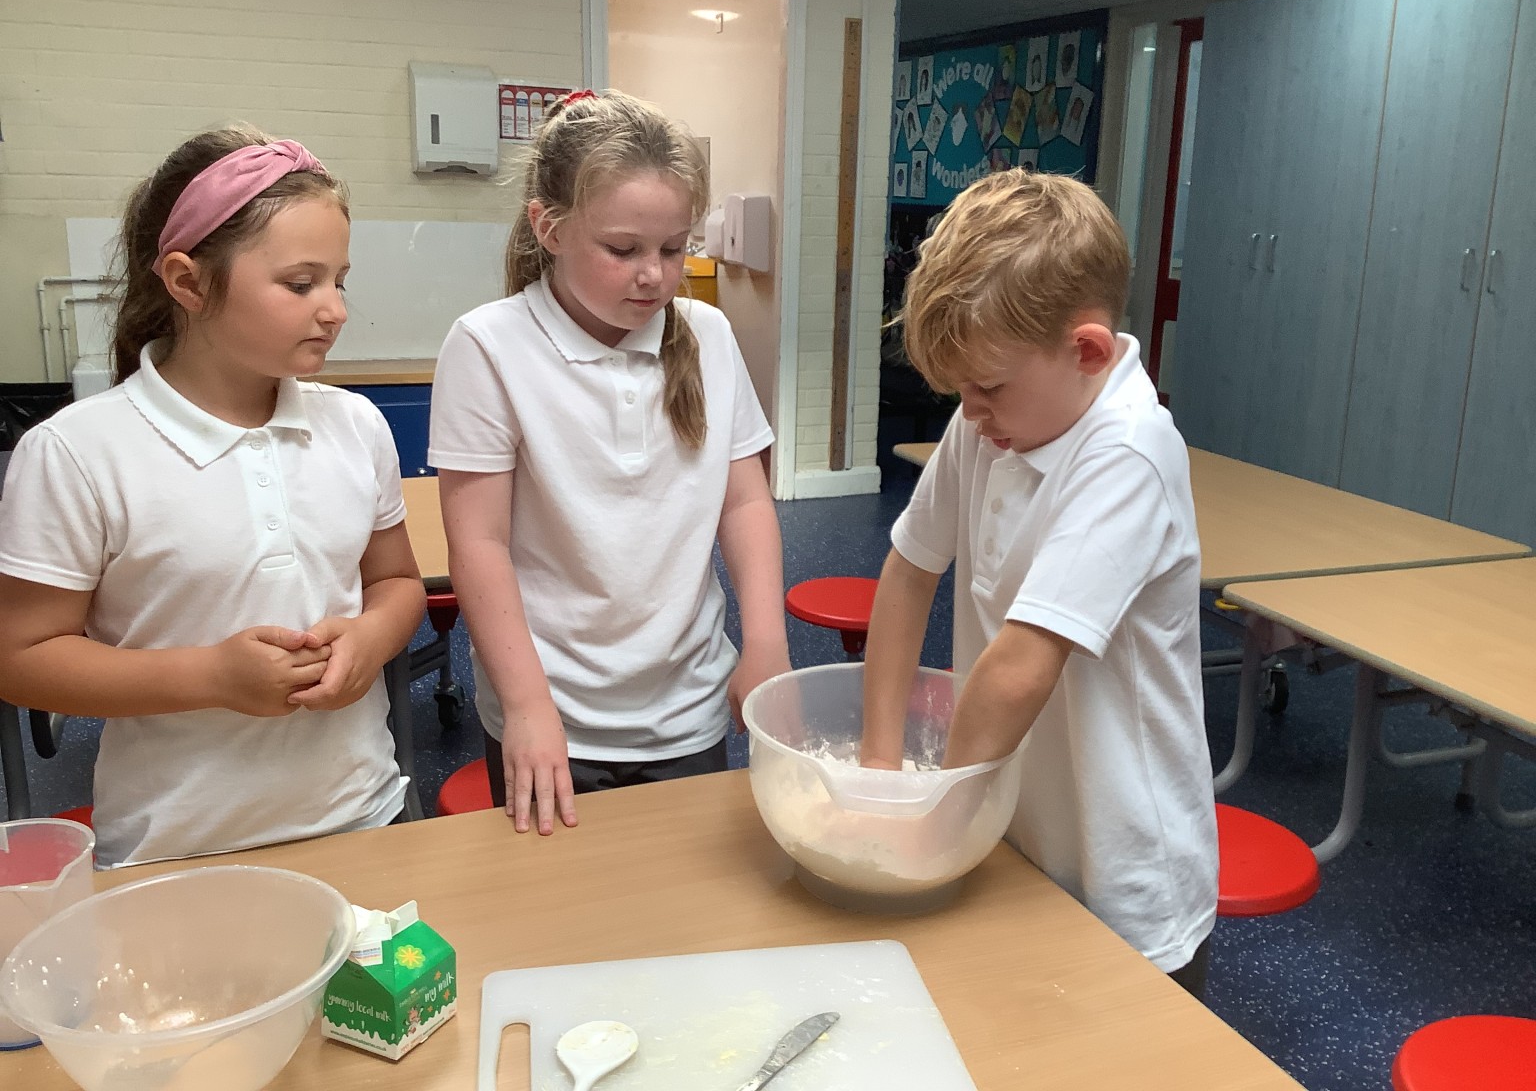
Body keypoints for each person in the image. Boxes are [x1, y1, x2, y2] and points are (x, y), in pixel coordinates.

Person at [0, 127, 426, 867]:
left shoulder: (354, 426)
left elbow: (395, 582)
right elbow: (22, 656)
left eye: (339, 281)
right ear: (188, 282)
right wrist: (211, 676)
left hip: (362, 818)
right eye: (301, 284)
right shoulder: (77, 452)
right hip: (176, 848)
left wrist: (370, 641)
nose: (335, 310)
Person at [859, 170, 1218, 996]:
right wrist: (880, 768)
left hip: (1123, 877)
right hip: (1018, 832)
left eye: (987, 388)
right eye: (960, 393)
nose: (971, 413)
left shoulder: (1126, 452)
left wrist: (936, 817)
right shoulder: (990, 421)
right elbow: (910, 574)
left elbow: (1021, 666)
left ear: (1085, 351)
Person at [429, 90, 790, 836]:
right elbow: (479, 544)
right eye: (622, 250)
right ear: (548, 227)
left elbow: (744, 504)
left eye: (672, 248)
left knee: (686, 917)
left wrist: (767, 645)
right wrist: (527, 707)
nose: (654, 276)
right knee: (561, 926)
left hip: (686, 703)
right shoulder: (488, 346)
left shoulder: (710, 336)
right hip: (553, 712)